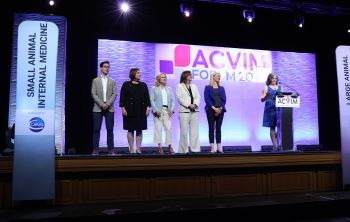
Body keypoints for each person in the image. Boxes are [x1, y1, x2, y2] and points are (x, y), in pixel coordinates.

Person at [119, 68, 151, 154]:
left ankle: (138, 148)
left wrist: (148, 109)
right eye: (138, 73)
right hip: (129, 110)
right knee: (130, 129)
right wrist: (123, 108)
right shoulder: (126, 84)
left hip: (141, 110)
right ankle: (131, 148)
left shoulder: (144, 85)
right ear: (133, 74)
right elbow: (122, 97)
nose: (140, 74)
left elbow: (147, 98)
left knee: (139, 130)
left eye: (140, 73)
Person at [91, 61, 117, 155]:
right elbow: (93, 94)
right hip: (98, 108)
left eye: (108, 67)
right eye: (105, 67)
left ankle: (110, 149)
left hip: (109, 108)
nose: (107, 68)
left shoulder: (112, 81)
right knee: (96, 129)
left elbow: (114, 94)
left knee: (110, 129)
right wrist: (101, 104)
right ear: (101, 68)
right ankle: (95, 149)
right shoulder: (95, 80)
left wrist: (108, 104)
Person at [176, 70, 201, 154]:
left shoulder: (194, 86)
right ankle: (183, 150)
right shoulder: (179, 86)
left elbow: (198, 96)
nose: (191, 76)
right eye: (189, 75)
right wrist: (189, 105)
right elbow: (179, 98)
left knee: (194, 131)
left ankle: (195, 149)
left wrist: (195, 104)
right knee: (184, 131)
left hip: (195, 111)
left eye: (191, 75)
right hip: (184, 111)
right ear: (185, 76)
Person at [150, 73, 175, 154]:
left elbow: (172, 100)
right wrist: (155, 110)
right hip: (158, 110)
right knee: (158, 128)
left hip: (166, 110)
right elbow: (152, 100)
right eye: (162, 77)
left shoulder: (169, 89)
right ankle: (160, 147)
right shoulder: (154, 88)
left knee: (168, 128)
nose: (164, 78)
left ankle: (170, 145)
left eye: (165, 77)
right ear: (158, 79)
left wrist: (171, 110)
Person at [204, 72, 226, 153]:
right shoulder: (207, 87)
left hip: (220, 110)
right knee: (211, 128)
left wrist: (220, 108)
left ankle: (219, 147)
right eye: (217, 76)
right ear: (213, 77)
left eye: (220, 76)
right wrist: (214, 108)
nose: (219, 77)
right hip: (210, 110)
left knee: (218, 128)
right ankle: (212, 147)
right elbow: (207, 99)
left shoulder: (222, 88)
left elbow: (224, 100)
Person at [261, 73, 282, 151]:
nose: (274, 79)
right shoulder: (266, 87)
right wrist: (266, 96)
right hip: (270, 108)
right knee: (272, 127)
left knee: (280, 127)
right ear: (269, 79)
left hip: (279, 108)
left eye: (276, 78)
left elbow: (282, 97)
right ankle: (275, 145)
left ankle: (280, 143)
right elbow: (262, 99)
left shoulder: (280, 87)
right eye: (273, 78)